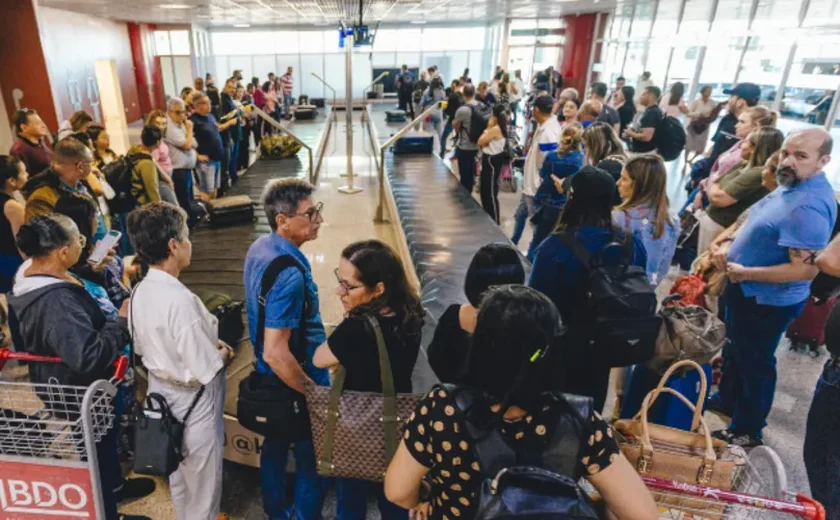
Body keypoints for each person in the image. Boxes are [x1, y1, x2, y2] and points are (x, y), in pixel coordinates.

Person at [384, 284, 660, 520]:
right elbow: (642, 514)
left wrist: (425, 499)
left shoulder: (442, 409)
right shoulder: (579, 420)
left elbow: (397, 491)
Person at [8, 214, 150, 520]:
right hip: (80, 389)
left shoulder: (31, 270)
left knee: (102, 443)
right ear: (61, 252)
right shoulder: (56, 303)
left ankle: (114, 488)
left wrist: (91, 272)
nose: (84, 245)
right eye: (79, 241)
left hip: (66, 383)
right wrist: (120, 322)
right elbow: (88, 356)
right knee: (96, 449)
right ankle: (107, 511)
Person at [709, 129, 836, 447]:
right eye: (785, 152)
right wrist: (727, 240)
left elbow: (805, 269)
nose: (788, 161)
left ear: (823, 161)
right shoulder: (790, 185)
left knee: (756, 361)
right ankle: (727, 401)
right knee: (736, 351)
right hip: (745, 290)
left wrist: (743, 271)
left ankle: (748, 428)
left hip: (766, 300)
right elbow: (754, 213)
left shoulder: (808, 208)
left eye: (800, 156)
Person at [127, 202, 231, 520]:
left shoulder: (139, 291)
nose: (190, 244)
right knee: (203, 484)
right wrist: (223, 352)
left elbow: (142, 346)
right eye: (187, 237)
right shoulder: (181, 301)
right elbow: (206, 368)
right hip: (194, 399)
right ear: (173, 245)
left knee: (178, 475)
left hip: (161, 393)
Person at [312, 240, 424, 520]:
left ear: (379, 289)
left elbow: (319, 359)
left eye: (349, 286)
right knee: (395, 498)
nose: (339, 290)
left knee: (350, 500)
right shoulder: (411, 313)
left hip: (356, 424)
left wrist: (348, 319)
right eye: (340, 280)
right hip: (396, 421)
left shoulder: (356, 328)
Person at [244, 178, 328, 520]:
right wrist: (311, 392)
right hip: (293, 374)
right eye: (311, 213)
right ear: (282, 220)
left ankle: (275, 510)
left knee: (275, 447)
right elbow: (276, 352)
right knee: (312, 459)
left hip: (268, 380)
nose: (319, 219)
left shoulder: (260, 248)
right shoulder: (290, 274)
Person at [529, 166, 647, 411]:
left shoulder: (555, 247)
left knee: (555, 410)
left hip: (563, 348)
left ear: (573, 199)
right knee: (590, 407)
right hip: (607, 343)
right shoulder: (629, 242)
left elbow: (535, 303)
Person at [427, 243, 525, 384]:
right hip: (506, 403)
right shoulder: (528, 324)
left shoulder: (454, 317)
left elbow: (436, 358)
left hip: (459, 399)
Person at [699, 127, 785, 254]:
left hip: (720, 226)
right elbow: (716, 184)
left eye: (745, 141)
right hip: (714, 222)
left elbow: (719, 198)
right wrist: (714, 186)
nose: (741, 145)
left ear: (755, 148)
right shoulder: (744, 165)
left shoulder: (757, 173)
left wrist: (713, 186)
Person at [691, 105, 778, 211]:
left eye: (742, 122)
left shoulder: (750, 154)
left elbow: (725, 184)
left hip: (713, 200)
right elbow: (718, 171)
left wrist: (706, 189)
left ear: (757, 126)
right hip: (705, 191)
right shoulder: (739, 144)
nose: (736, 125)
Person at [23, 138, 108, 242]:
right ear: (80, 166)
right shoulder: (41, 198)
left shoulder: (81, 183)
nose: (92, 166)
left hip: (98, 253)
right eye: (90, 162)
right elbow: (42, 240)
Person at [613, 154, 679, 287]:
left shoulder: (619, 217)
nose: (618, 183)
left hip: (618, 289)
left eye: (624, 179)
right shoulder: (672, 220)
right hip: (645, 292)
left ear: (639, 185)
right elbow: (664, 265)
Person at [529, 123, 585, 262]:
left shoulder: (552, 156)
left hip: (543, 198)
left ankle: (530, 264)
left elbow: (543, 173)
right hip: (562, 203)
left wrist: (553, 177)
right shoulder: (579, 159)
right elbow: (574, 182)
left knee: (537, 237)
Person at [511, 95, 561, 247]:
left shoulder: (548, 133)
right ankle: (513, 242)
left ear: (537, 110)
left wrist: (540, 181)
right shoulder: (543, 126)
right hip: (529, 185)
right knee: (520, 215)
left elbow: (547, 162)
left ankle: (534, 254)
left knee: (535, 223)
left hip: (536, 188)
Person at [190, 92, 235, 200]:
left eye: (209, 102)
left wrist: (227, 125)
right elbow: (188, 141)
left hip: (216, 159)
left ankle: (213, 212)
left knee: (214, 190)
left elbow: (216, 129)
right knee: (206, 192)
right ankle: (206, 214)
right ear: (198, 106)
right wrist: (197, 155)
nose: (209, 105)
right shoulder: (193, 121)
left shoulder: (210, 116)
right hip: (206, 162)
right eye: (205, 103)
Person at [165, 97, 199, 223]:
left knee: (190, 200)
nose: (182, 115)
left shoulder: (180, 125)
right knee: (184, 202)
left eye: (183, 112)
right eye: (178, 112)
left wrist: (188, 135)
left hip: (187, 169)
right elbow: (187, 145)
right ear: (169, 112)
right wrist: (189, 130)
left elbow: (194, 143)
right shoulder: (170, 128)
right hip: (178, 171)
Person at [476, 104, 510, 224]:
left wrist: (487, 131)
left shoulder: (496, 129)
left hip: (492, 160)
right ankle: (488, 218)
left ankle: (495, 221)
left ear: (494, 116)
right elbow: (483, 142)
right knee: (485, 189)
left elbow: (480, 140)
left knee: (489, 192)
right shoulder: (498, 127)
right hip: (490, 159)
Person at [583, 122, 628, 204]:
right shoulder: (620, 159)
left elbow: (589, 195)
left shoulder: (606, 166)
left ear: (595, 145)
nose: (585, 150)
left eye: (586, 146)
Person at [0, 156, 27, 292]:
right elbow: (21, 242)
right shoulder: (12, 206)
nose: (27, 175)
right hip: (11, 261)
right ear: (11, 181)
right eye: (23, 172)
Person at [145, 110, 179, 205]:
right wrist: (168, 180)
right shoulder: (152, 140)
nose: (161, 126)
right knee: (174, 208)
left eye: (164, 124)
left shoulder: (160, 138)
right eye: (158, 123)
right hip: (161, 181)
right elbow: (153, 163)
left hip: (166, 179)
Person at [452, 84, 481, 194]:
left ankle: (465, 196)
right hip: (478, 144)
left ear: (463, 94)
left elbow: (456, 125)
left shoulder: (463, 110)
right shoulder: (481, 106)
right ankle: (471, 189)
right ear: (474, 93)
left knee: (464, 174)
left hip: (464, 145)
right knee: (472, 171)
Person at [128, 126, 164, 207]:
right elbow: (152, 189)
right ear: (158, 142)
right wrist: (159, 207)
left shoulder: (133, 151)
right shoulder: (147, 163)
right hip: (141, 203)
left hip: (132, 197)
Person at [10, 109, 53, 176]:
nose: (44, 126)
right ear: (24, 127)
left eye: (42, 122)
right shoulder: (18, 150)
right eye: (38, 123)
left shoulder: (40, 142)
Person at [624, 85, 663, 154]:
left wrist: (630, 133)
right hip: (643, 151)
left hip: (645, 153)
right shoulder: (652, 110)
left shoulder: (652, 113)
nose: (640, 97)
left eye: (643, 94)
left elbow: (646, 137)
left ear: (650, 96)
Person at [685, 85, 718, 161]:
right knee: (689, 145)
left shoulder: (712, 103)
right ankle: (685, 161)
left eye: (710, 91)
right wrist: (699, 114)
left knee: (701, 147)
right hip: (694, 126)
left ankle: (692, 159)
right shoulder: (695, 102)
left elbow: (714, 114)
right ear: (702, 92)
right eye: (708, 91)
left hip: (704, 127)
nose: (709, 93)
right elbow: (688, 114)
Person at [441, 81, 462, 157]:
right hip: (460, 120)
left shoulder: (453, 96)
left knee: (443, 137)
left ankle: (441, 154)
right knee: (459, 137)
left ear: (454, 85)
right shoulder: (461, 96)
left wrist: (441, 105)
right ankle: (456, 155)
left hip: (452, 120)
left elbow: (448, 109)